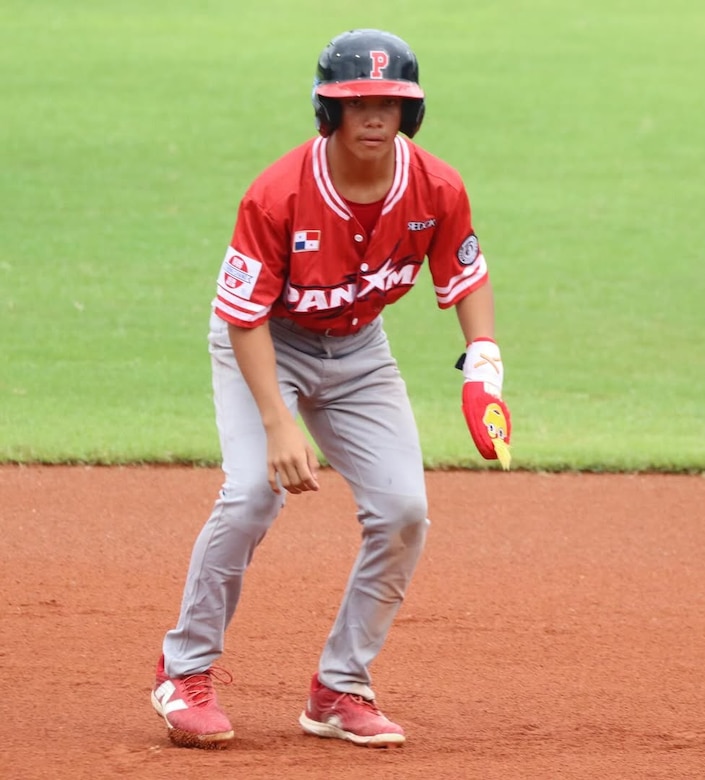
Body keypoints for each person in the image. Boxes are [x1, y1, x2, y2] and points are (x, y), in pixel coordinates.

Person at [150, 28, 512, 750]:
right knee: (254, 491)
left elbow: (465, 276)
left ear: (411, 113)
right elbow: (242, 315)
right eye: (358, 103)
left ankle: (340, 687)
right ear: (329, 111)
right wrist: (279, 422)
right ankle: (182, 672)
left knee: (405, 509)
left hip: (359, 351)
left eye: (390, 103)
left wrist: (484, 364)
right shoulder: (278, 192)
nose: (374, 117)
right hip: (264, 343)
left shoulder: (437, 186)